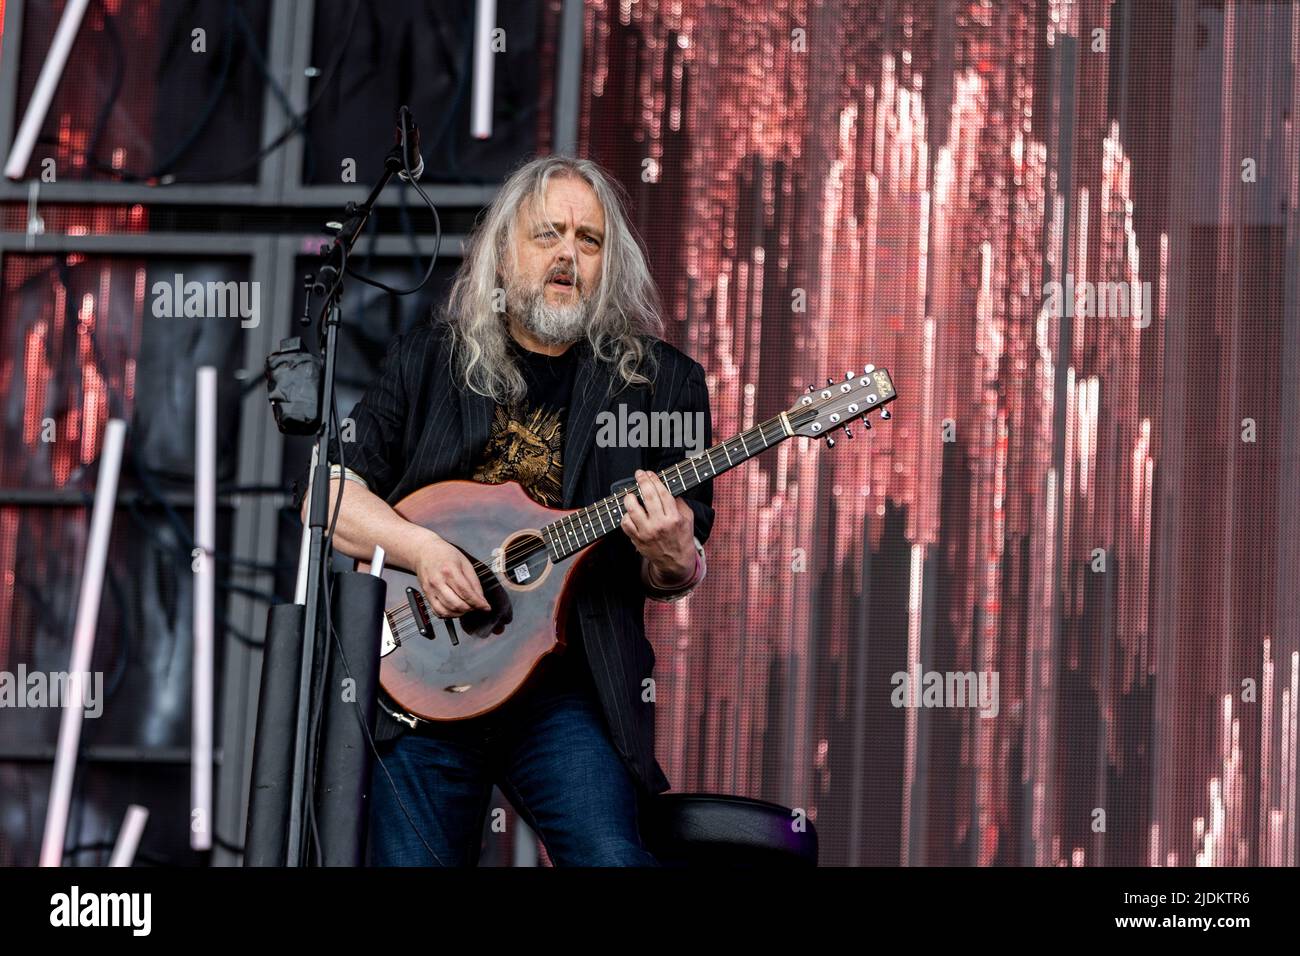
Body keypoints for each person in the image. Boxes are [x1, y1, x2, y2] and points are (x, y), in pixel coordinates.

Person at [299, 155, 714, 866]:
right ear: (503, 252)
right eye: (547, 234)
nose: (567, 255)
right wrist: (423, 552)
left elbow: (677, 567)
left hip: (563, 690)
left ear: (609, 265)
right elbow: (328, 496)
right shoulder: (429, 358)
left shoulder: (663, 384)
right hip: (421, 689)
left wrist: (674, 553)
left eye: (589, 241)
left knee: (613, 859)